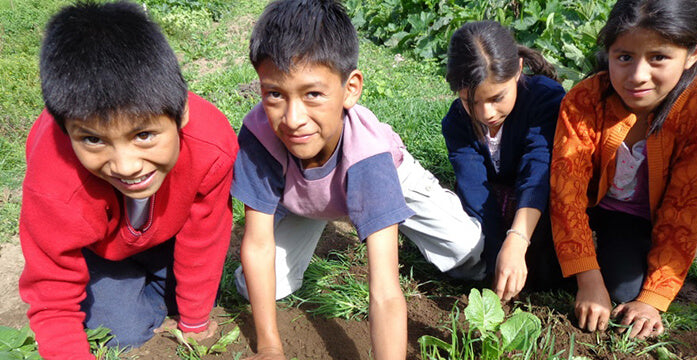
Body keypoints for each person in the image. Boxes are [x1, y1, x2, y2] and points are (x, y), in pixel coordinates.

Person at [230, 0, 484, 358]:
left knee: (466, 248)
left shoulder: (370, 157)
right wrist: (270, 345)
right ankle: (342, 216)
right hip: (305, 198)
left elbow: (383, 291)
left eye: (313, 94)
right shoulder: (259, 137)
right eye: (275, 94)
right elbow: (256, 245)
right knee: (253, 286)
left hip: (387, 178)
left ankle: (389, 220)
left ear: (351, 88)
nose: (293, 118)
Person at [18, 2, 239, 358]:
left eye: (144, 135)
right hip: (99, 250)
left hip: (167, 233)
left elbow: (204, 238)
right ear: (65, 130)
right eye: (93, 140)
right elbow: (52, 291)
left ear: (181, 114)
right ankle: (124, 288)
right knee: (122, 332)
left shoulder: (210, 146)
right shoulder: (54, 181)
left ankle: (142, 285)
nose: (126, 165)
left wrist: (195, 323)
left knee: (199, 296)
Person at [550, 0, 697, 339]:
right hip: (586, 207)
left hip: (635, 220)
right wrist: (587, 277)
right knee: (544, 269)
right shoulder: (585, 99)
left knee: (626, 291)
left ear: (693, 52)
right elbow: (566, 190)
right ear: (609, 52)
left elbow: (685, 210)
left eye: (658, 57)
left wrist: (653, 300)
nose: (637, 76)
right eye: (624, 57)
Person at [442, 21, 566, 301]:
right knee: (472, 255)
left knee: (548, 274)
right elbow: (474, 189)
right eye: (470, 102)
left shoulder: (545, 99)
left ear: (519, 69)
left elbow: (538, 170)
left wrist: (518, 240)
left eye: (497, 98)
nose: (486, 113)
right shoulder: (456, 122)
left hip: (538, 203)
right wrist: (500, 252)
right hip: (493, 208)